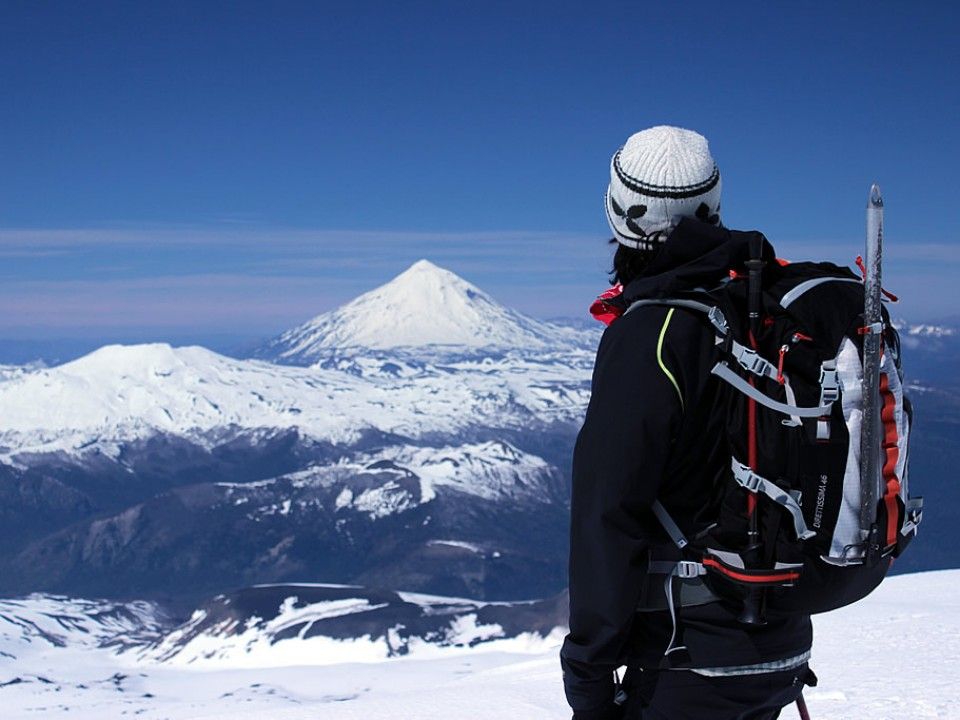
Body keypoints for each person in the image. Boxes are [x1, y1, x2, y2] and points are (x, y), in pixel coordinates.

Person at [560, 126, 816, 720]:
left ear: (620, 214)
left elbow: (607, 514)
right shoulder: (765, 313)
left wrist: (589, 678)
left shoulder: (651, 334)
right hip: (779, 643)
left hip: (685, 658)